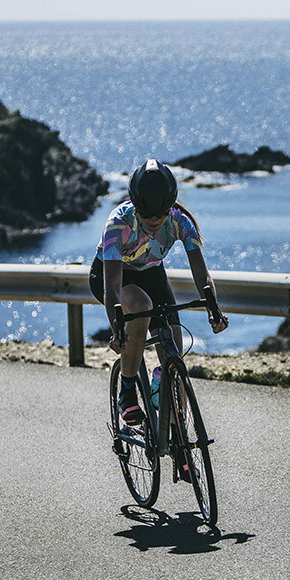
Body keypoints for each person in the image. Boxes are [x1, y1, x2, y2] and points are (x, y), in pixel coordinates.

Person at [90, 159, 228, 426]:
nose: (154, 221)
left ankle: (182, 451)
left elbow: (201, 273)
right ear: (135, 207)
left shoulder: (181, 221)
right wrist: (117, 328)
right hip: (113, 276)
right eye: (146, 215)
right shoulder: (118, 223)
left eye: (160, 215)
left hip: (152, 274)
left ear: (170, 208)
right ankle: (127, 391)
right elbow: (111, 286)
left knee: (174, 354)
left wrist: (213, 307)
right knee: (141, 306)